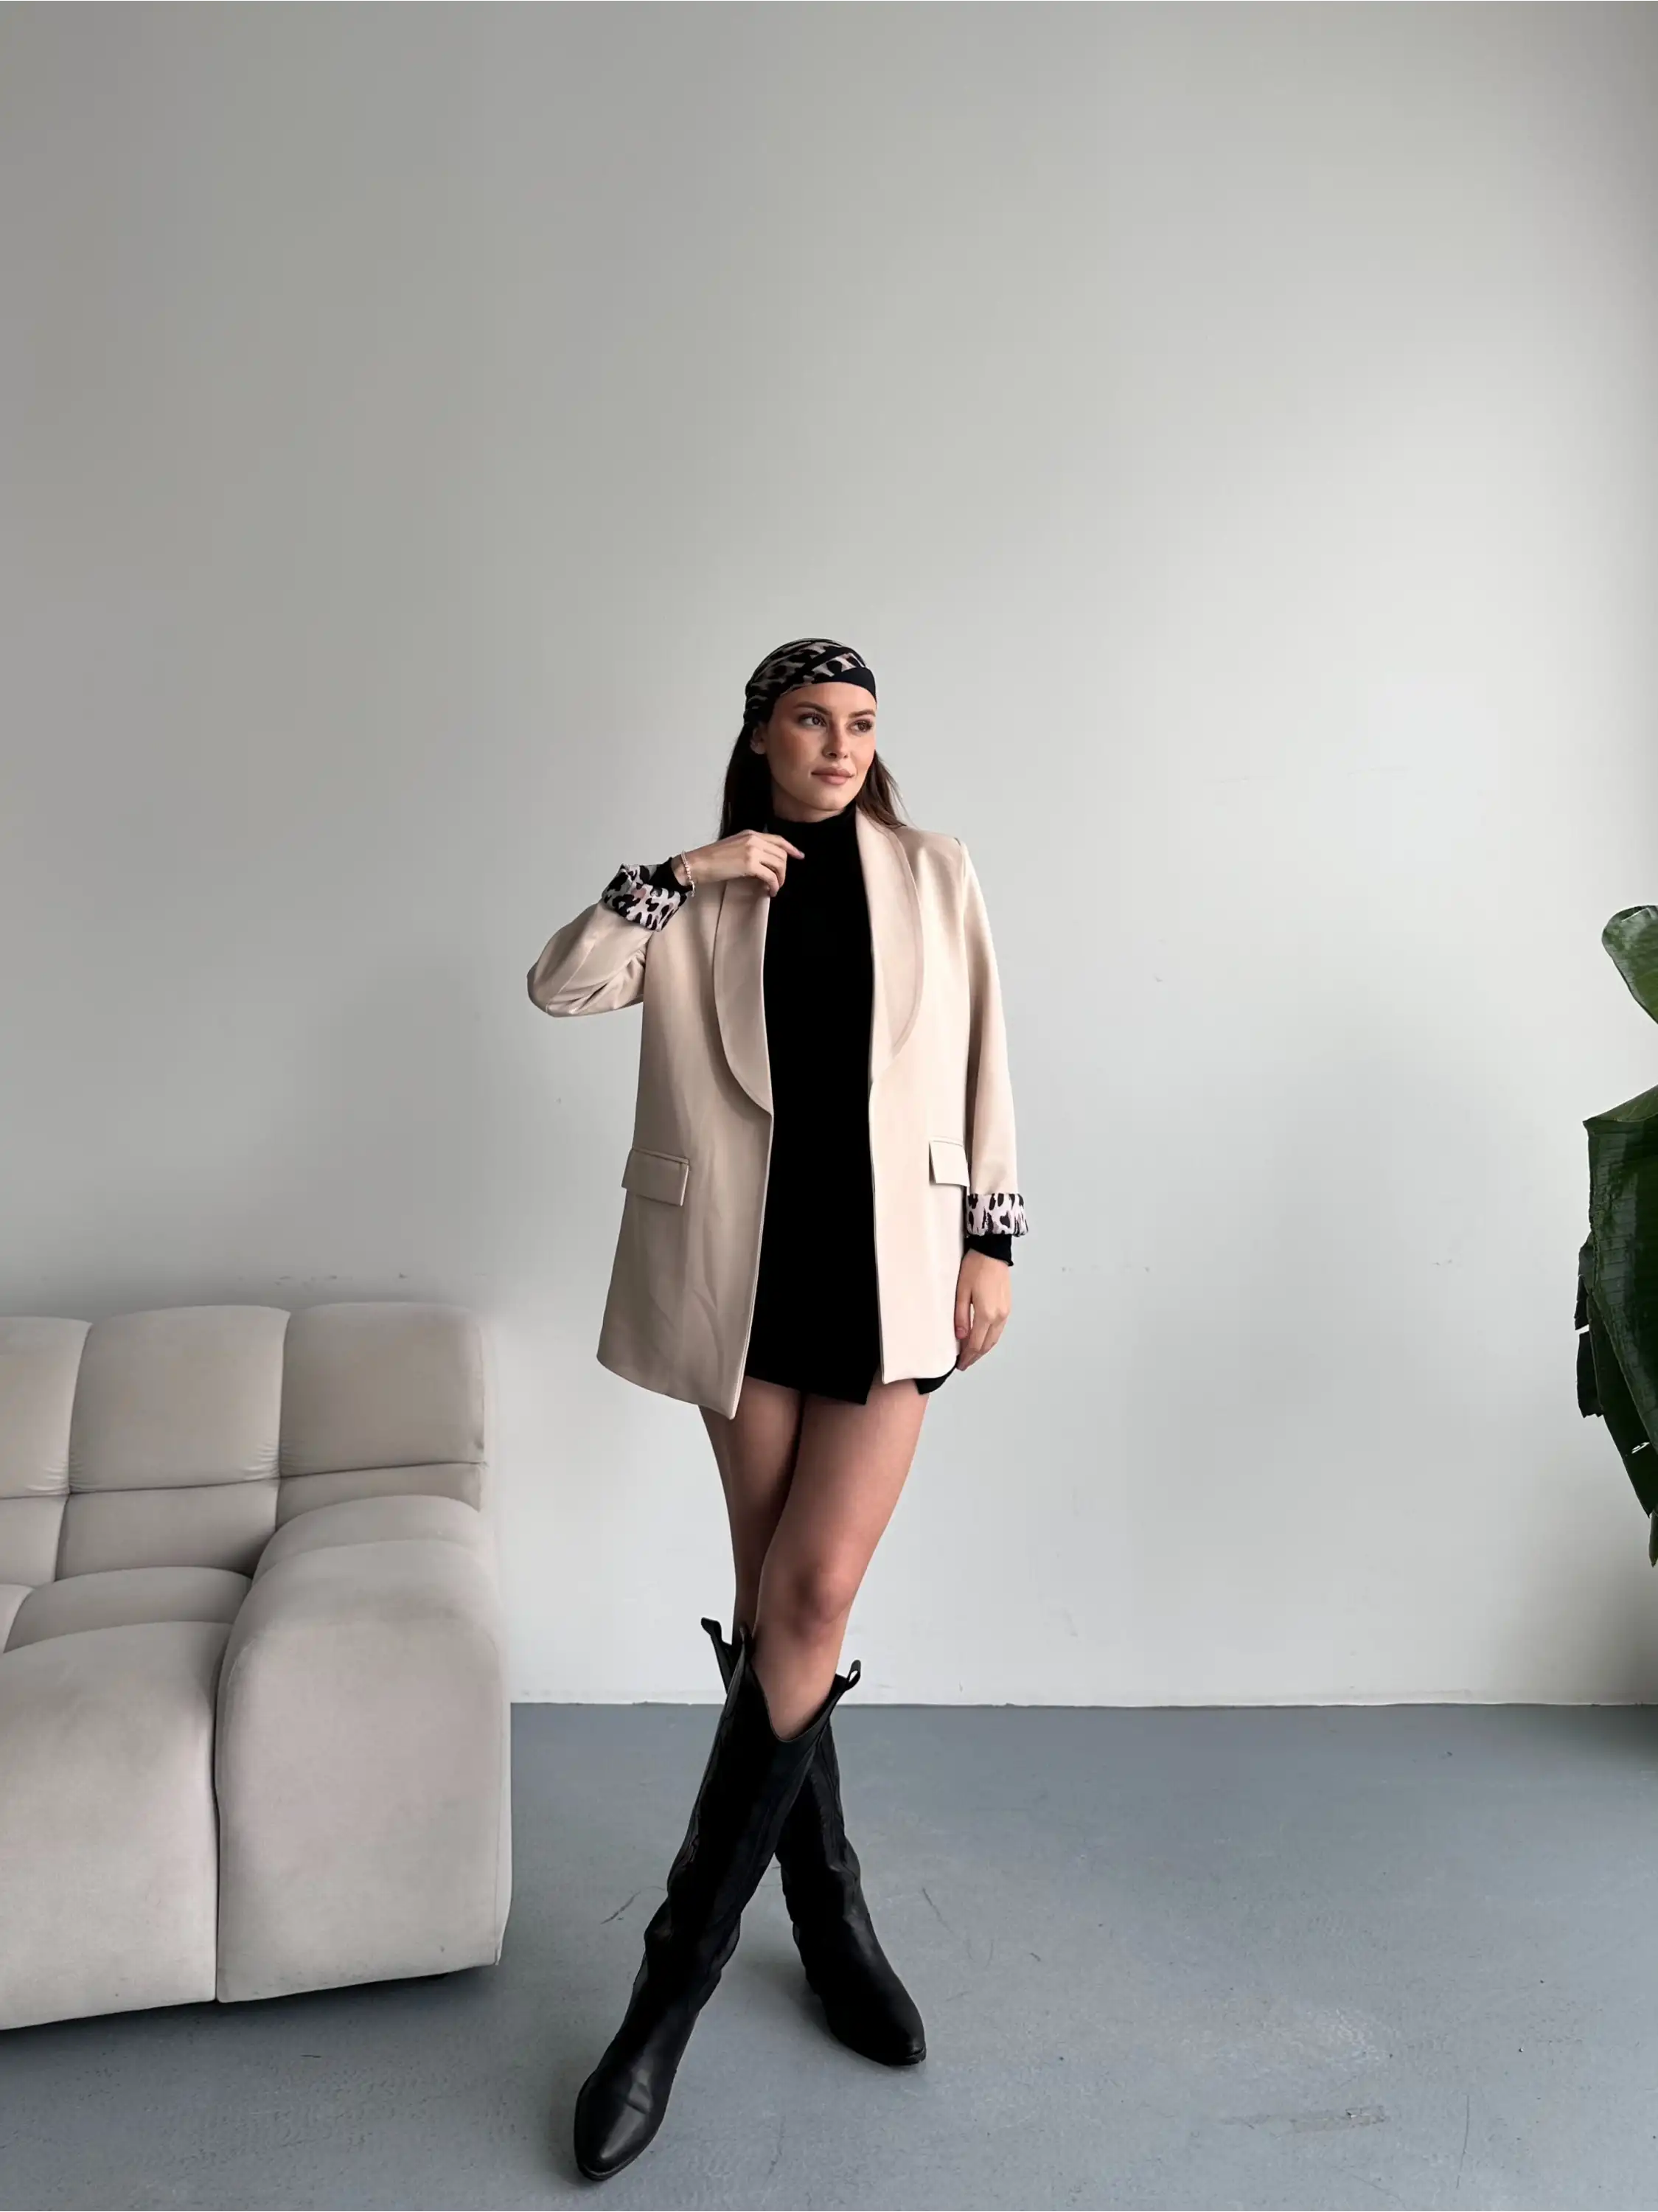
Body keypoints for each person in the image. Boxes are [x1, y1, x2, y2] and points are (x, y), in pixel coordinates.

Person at [526, 636, 1027, 2180]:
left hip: (889, 1277)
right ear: (759, 736)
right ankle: (827, 1919)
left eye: (861, 722)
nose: (839, 744)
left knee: (809, 1598)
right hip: (740, 1284)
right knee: (773, 1614)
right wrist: (687, 870)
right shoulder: (702, 893)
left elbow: (984, 1060)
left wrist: (992, 1240)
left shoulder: (933, 871)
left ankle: (663, 1996)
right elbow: (562, 983)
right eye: (811, 720)